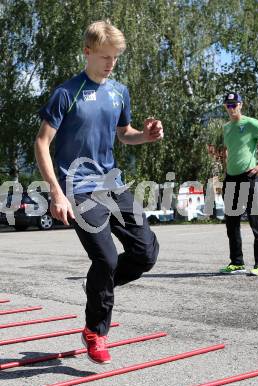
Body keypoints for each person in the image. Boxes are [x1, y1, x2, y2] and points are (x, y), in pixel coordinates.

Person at [35, 20, 163, 364]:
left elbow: (125, 134)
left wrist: (145, 136)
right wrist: (56, 192)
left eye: (116, 58)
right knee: (105, 260)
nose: (111, 63)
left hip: (111, 183)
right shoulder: (67, 93)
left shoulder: (119, 91)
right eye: (105, 56)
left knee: (146, 253)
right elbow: (42, 143)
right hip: (77, 189)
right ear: (87, 53)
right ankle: (95, 331)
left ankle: (98, 286)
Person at [218, 92, 258, 276]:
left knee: (255, 220)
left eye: (234, 104)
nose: (231, 108)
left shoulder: (251, 123)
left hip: (249, 176)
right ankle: (236, 262)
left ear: (241, 104)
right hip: (231, 179)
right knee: (232, 224)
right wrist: (226, 169)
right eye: (228, 105)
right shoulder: (227, 127)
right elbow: (231, 150)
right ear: (225, 107)